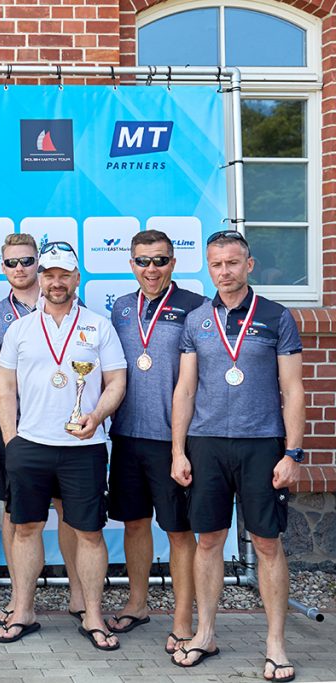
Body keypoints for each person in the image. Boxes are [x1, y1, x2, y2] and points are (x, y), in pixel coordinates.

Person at [171, 230, 304, 682]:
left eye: (232, 263)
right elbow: (185, 389)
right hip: (206, 444)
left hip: (261, 444)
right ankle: (205, 634)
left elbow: (293, 389)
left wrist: (293, 452)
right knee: (208, 540)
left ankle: (275, 644)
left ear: (249, 265)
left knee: (267, 543)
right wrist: (178, 450)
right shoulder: (197, 319)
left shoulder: (277, 316)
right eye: (216, 264)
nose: (224, 271)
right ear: (208, 267)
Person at [0, 241, 126, 650]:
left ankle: (93, 615)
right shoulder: (19, 329)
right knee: (25, 529)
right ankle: (23, 610)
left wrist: (97, 416)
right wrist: (12, 441)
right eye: (49, 274)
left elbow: (116, 381)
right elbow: (5, 389)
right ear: (40, 277)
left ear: (76, 278)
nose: (55, 282)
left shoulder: (98, 326)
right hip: (30, 446)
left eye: (63, 275)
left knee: (89, 533)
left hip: (84, 447)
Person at [0, 233, 86, 627]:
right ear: (2, 267)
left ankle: (79, 595)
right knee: (16, 515)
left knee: (69, 512)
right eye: (11, 262)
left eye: (26, 261)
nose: (19, 268)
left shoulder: (71, 305)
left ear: (39, 264)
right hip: (16, 431)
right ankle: (21, 601)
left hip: (66, 430)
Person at [108, 230, 205, 652]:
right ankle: (137, 604)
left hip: (173, 440)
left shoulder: (196, 307)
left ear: (173, 263)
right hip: (127, 435)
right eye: (143, 261)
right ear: (131, 264)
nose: (151, 269)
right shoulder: (120, 307)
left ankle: (182, 620)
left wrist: (183, 444)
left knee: (179, 531)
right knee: (134, 523)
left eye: (160, 260)